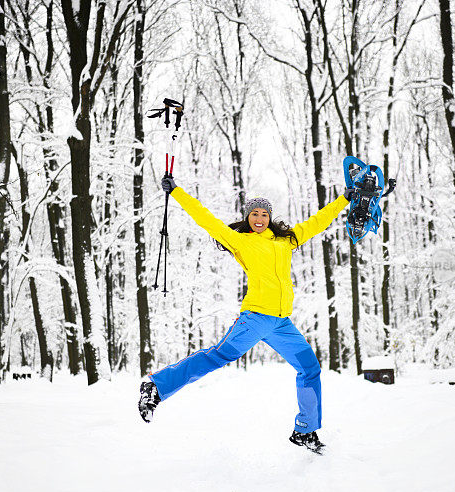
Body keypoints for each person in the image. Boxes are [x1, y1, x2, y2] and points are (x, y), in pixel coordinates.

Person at [138, 174, 352, 453]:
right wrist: (177, 191)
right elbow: (206, 219)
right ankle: (155, 386)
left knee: (309, 368)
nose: (259, 217)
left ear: (270, 217)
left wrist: (345, 199)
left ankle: (306, 430)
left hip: (281, 322)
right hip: (255, 318)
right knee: (217, 356)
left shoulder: (287, 240)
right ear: (248, 217)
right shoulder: (242, 241)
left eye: (264, 213)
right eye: (254, 213)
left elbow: (318, 221)